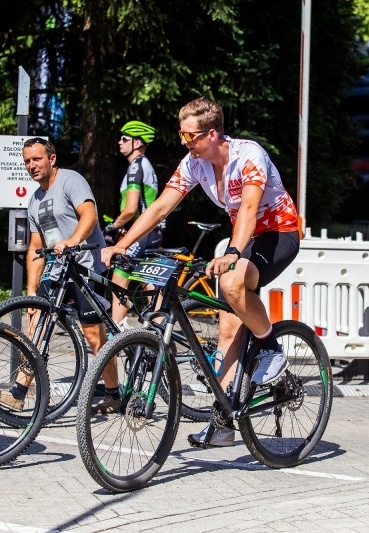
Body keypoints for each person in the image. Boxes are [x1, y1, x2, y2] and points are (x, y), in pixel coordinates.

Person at [101, 97, 300, 447]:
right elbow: (161, 207)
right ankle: (223, 423)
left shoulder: (248, 155)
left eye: (189, 135)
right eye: (181, 134)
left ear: (212, 134)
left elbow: (249, 208)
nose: (183, 141)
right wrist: (123, 244)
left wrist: (233, 252)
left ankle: (271, 349)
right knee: (227, 328)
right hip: (246, 237)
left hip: (278, 233)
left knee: (232, 282)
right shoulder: (195, 162)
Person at [0, 137, 120, 413]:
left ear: (51, 159)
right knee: (36, 325)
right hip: (56, 272)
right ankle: (19, 391)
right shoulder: (34, 200)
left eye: (36, 159)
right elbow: (36, 246)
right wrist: (31, 291)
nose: (31, 165)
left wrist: (73, 241)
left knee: (93, 335)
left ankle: (114, 394)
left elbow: (89, 215)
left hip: (85, 268)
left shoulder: (70, 181)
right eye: (27, 161)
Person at [105, 120, 164, 329]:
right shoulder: (144, 164)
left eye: (124, 139)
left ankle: (119, 330)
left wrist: (113, 226)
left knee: (120, 273)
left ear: (137, 143)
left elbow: (131, 209)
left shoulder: (137, 166)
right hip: (153, 230)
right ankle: (161, 329)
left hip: (145, 230)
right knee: (149, 280)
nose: (119, 142)